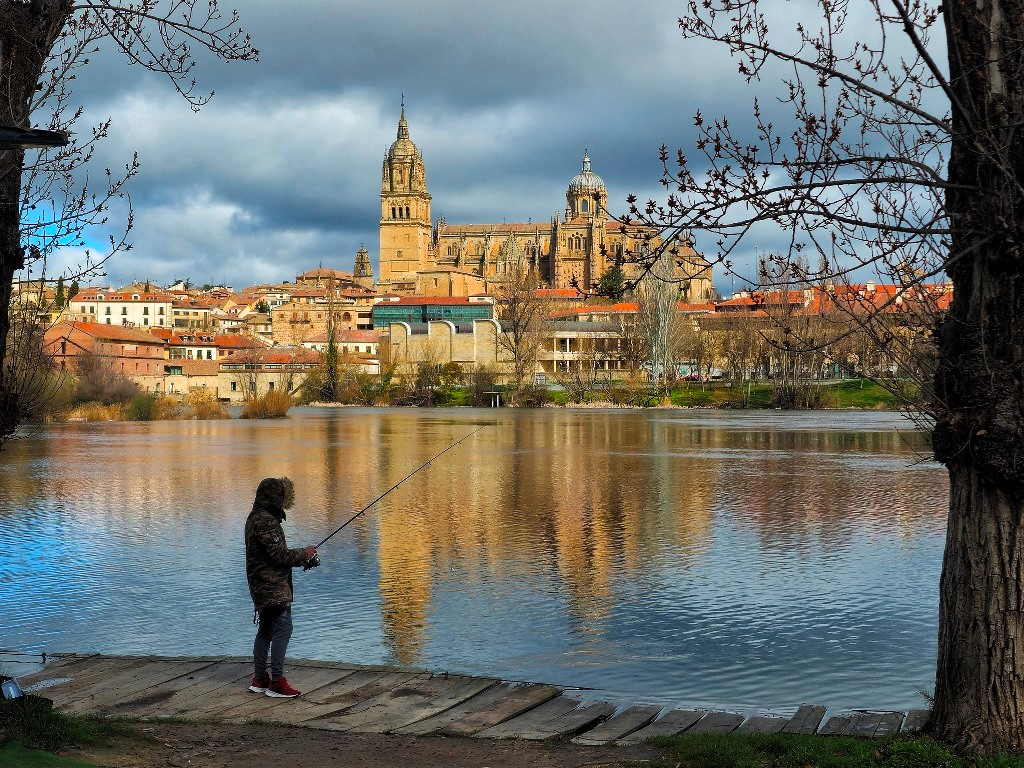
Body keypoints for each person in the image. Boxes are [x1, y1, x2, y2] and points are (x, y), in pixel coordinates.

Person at [244, 476, 318, 698]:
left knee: (266, 630)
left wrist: (300, 560)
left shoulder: (254, 517)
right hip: (272, 587)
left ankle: (260, 679)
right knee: (283, 629)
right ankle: (276, 682)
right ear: (276, 497)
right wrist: (305, 553)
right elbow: (279, 555)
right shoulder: (266, 520)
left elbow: (273, 556)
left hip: (261, 584)